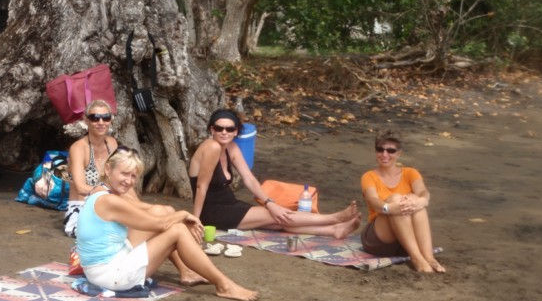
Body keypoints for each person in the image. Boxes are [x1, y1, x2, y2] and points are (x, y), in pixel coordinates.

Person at [76, 146, 259, 301]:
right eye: (124, 174)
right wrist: (183, 214)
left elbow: (147, 215)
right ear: (108, 169)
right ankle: (224, 285)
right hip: (110, 275)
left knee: (165, 216)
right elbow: (159, 225)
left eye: (133, 176)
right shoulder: (109, 201)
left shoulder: (101, 191)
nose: (128, 181)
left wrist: (171, 214)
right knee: (177, 230)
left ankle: (188, 272)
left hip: (101, 267)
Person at [189, 109, 360, 238]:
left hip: (230, 204)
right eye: (219, 128)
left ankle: (334, 230)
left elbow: (249, 179)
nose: (224, 132)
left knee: (276, 221)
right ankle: (334, 218)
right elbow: (201, 186)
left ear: (236, 131)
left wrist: (269, 202)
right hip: (211, 211)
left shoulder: (231, 147)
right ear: (212, 130)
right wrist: (196, 221)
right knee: (276, 216)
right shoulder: (211, 147)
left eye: (229, 129)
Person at [360, 130, 445, 273]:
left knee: (416, 201)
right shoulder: (369, 176)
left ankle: (428, 257)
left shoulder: (410, 173)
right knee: (397, 199)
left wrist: (421, 201)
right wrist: (389, 207)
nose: (384, 154)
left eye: (390, 151)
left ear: (399, 153)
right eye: (380, 149)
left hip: (403, 239)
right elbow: (373, 200)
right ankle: (417, 259)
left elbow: (423, 192)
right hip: (378, 238)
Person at [64, 100, 118, 237]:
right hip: (81, 211)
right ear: (86, 120)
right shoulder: (79, 148)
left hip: (108, 206)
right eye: (95, 118)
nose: (101, 122)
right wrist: (107, 193)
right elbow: (81, 188)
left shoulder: (112, 144)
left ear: (110, 120)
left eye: (106, 117)